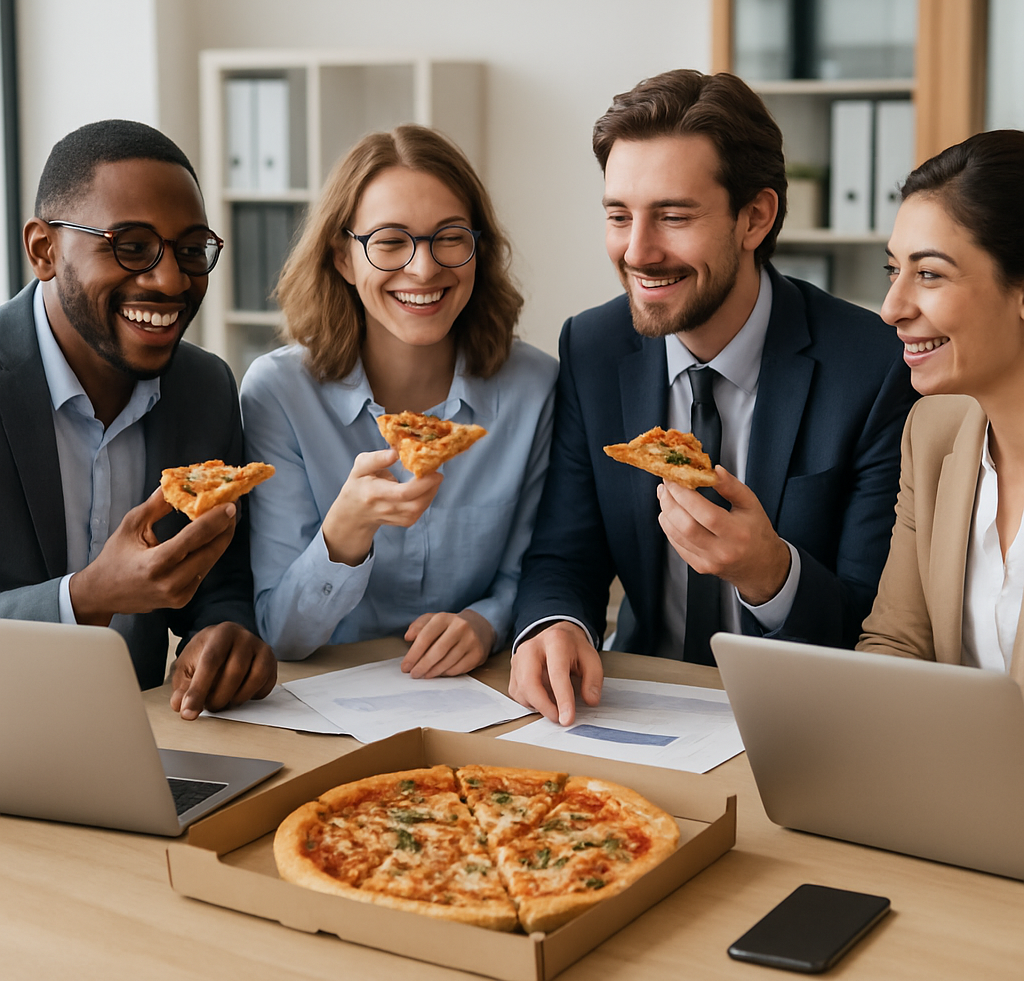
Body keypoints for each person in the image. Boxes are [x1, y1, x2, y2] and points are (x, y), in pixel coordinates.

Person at [508, 69, 917, 724]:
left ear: (755, 217)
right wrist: (554, 624)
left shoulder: (870, 366)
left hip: (808, 717)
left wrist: (769, 573)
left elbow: (877, 626)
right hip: (634, 705)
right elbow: (566, 552)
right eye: (619, 216)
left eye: (672, 216)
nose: (637, 252)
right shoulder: (592, 346)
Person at [241, 124, 557, 678]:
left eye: (450, 236)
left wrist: (487, 621)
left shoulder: (536, 387)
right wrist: (344, 534)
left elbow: (539, 569)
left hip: (487, 688)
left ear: (477, 248)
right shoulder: (278, 393)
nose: (425, 268)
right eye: (390, 241)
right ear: (343, 258)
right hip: (327, 700)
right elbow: (281, 635)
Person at [0, 119, 277, 720]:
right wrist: (87, 597)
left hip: (148, 744)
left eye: (190, 250)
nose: (171, 280)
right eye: (131, 246)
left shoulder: (204, 388)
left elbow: (221, 579)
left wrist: (222, 631)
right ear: (44, 250)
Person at [858, 131, 1024, 686]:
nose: (891, 308)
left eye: (928, 273)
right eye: (893, 270)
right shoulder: (933, 433)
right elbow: (895, 643)